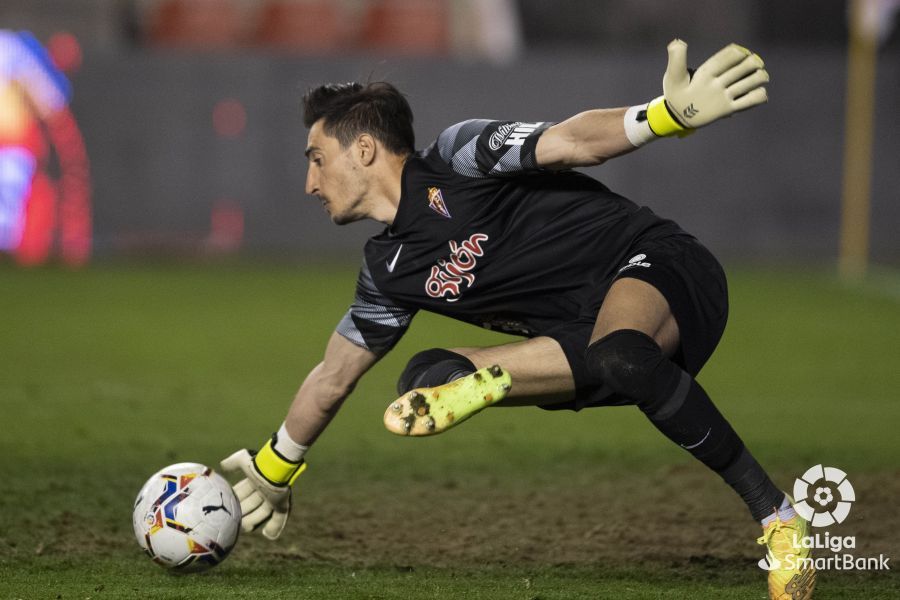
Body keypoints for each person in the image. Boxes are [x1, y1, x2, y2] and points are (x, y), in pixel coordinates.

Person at [221, 40, 815, 600]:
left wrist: (663, 116)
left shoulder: (458, 157)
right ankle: (487, 380)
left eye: (318, 160)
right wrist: (276, 465)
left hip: (663, 269)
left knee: (619, 348)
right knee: (423, 379)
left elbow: (573, 141)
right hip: (584, 350)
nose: (310, 182)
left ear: (365, 150)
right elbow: (334, 375)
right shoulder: (387, 270)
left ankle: (780, 518)